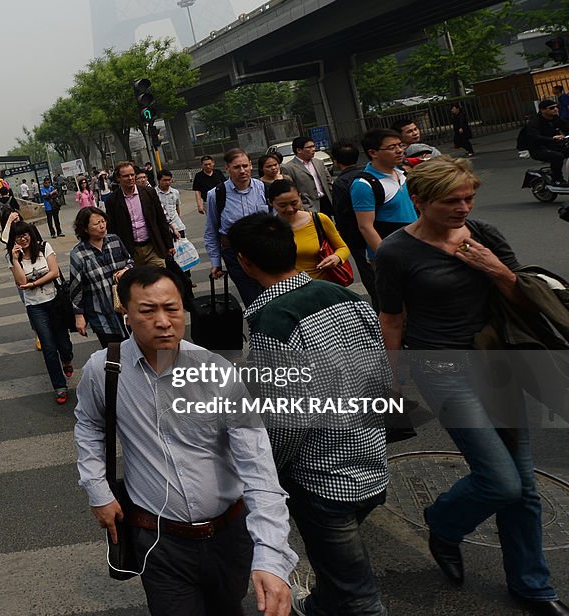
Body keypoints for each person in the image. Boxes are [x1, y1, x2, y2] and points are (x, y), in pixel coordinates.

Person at [374, 159, 568, 615]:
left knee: (522, 486)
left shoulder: (482, 233)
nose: (463, 207)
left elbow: (528, 296)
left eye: (468, 197)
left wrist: (495, 268)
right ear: (418, 201)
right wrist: (395, 377)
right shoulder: (395, 252)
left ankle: (533, 586)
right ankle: (442, 521)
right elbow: (392, 316)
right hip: (441, 370)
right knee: (500, 482)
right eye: (451, 201)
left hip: (495, 363)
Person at [73, 265, 296, 616]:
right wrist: (96, 489)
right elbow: (88, 423)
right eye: (147, 311)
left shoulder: (218, 372)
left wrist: (271, 556)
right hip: (158, 541)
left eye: (172, 308)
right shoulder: (104, 370)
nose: (163, 321)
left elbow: (259, 469)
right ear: (126, 314)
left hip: (228, 536)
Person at [230, 213, 390, 616]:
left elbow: (285, 418)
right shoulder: (351, 298)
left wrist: (270, 474)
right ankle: (320, 606)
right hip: (371, 459)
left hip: (323, 478)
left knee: (360, 598)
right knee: (337, 572)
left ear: (245, 262)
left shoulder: (274, 322)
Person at [6, 221, 75, 404]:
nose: (23, 238)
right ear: (14, 240)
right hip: (35, 307)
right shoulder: (13, 257)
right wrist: (14, 259)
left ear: (31, 233)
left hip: (55, 302)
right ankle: (59, 386)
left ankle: (67, 360)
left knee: (63, 343)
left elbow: (54, 272)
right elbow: (21, 282)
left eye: (25, 234)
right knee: (48, 347)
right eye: (18, 236)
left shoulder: (44, 247)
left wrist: (35, 283)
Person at [203, 148, 267, 307]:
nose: (242, 171)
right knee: (252, 300)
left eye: (245, 166)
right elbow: (211, 231)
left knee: (271, 296)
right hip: (234, 254)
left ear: (251, 165)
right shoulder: (216, 194)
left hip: (264, 250)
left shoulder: (263, 188)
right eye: (237, 167)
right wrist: (215, 262)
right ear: (227, 168)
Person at [68, 206, 133, 347]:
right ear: (85, 228)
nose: (102, 226)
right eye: (97, 223)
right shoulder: (78, 254)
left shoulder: (114, 240)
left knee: (137, 349)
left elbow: (130, 261)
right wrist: (79, 316)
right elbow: (75, 287)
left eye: (103, 221)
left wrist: (126, 269)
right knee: (114, 355)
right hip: (101, 313)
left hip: (127, 309)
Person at [351, 129, 418, 264]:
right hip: (392, 257)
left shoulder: (403, 174)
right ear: (373, 153)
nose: (399, 150)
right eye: (392, 147)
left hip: (415, 249)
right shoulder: (364, 184)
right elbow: (365, 226)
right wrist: (387, 258)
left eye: (400, 145)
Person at [266, 179, 350, 281]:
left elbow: (343, 247)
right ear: (270, 203)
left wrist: (337, 257)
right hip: (291, 290)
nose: (290, 209)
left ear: (300, 198)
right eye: (282, 205)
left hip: (325, 285)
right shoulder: (268, 230)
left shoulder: (319, 219)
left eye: (294, 203)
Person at [330, 140, 378, 308]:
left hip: (356, 236)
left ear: (336, 161)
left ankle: (378, 306)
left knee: (368, 274)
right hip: (376, 230)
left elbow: (340, 213)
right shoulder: (368, 175)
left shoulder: (340, 183)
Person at [105, 161, 174, 268]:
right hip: (130, 251)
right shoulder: (112, 200)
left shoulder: (149, 192)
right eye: (126, 176)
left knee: (158, 279)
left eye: (132, 175)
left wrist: (169, 244)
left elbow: (161, 219)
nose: (130, 178)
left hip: (153, 247)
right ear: (118, 178)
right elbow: (112, 229)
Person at [282, 136, 334, 216]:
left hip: (326, 202)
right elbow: (291, 190)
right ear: (299, 150)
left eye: (313, 146)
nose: (313, 149)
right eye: (309, 147)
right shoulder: (288, 168)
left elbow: (328, 181)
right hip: (308, 207)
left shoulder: (318, 162)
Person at [524, 99, 569, 188]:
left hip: (554, 145)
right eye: (551, 108)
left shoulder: (556, 118)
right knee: (557, 156)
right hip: (538, 149)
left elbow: (566, 128)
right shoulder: (534, 122)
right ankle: (557, 180)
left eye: (557, 107)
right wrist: (552, 138)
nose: (555, 109)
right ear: (542, 110)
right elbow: (535, 137)